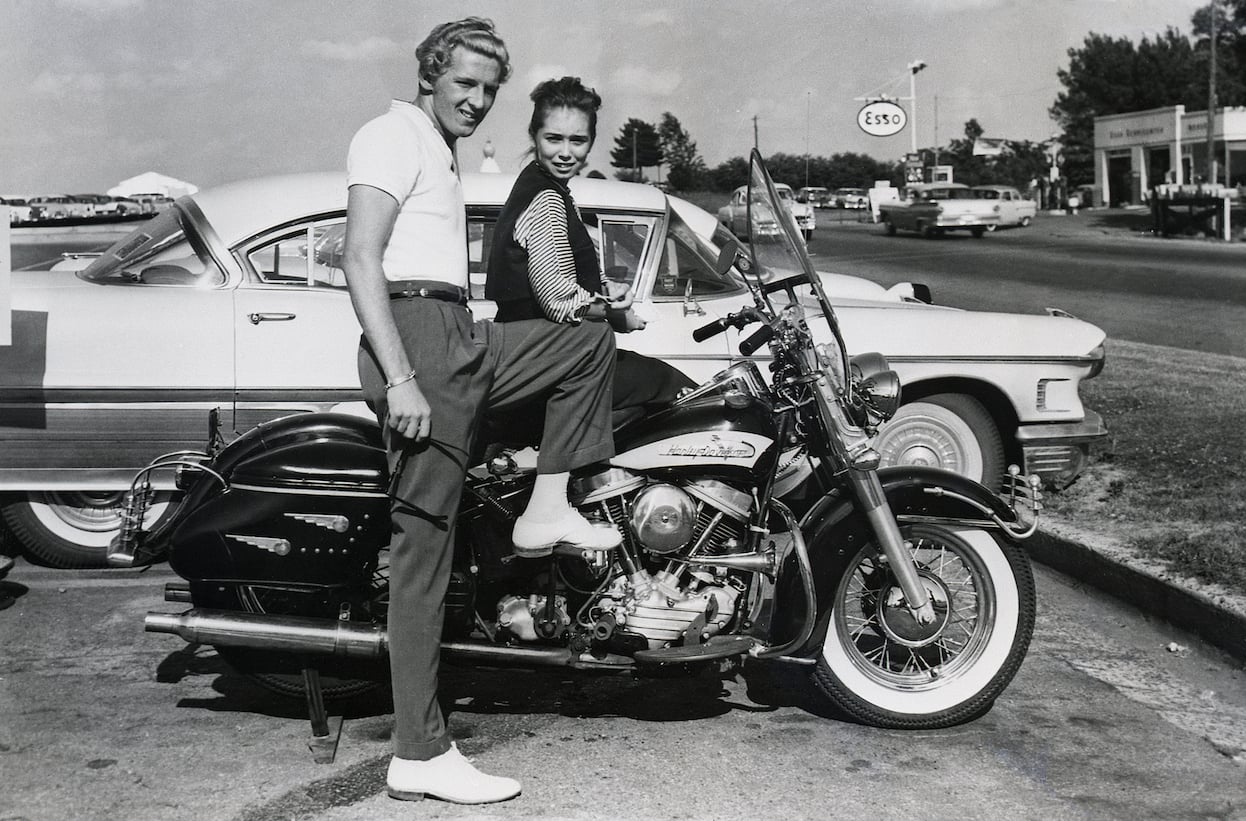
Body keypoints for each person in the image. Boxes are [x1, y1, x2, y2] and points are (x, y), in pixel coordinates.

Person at [341, 19, 621, 805]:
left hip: (457, 333)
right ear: (429, 73)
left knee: (587, 341)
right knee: (424, 550)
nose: (477, 100)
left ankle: (547, 506)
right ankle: (419, 752)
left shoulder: (437, 145)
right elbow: (360, 258)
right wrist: (402, 378)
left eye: (489, 89)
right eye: (464, 82)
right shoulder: (391, 135)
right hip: (419, 341)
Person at [486, 76, 694, 423]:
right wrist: (613, 312)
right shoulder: (548, 199)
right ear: (534, 136)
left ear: (591, 142)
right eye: (554, 138)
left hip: (531, 355)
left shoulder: (542, 186)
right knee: (671, 385)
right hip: (544, 361)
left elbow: (558, 276)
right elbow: (557, 299)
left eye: (577, 140)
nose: (566, 152)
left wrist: (605, 291)